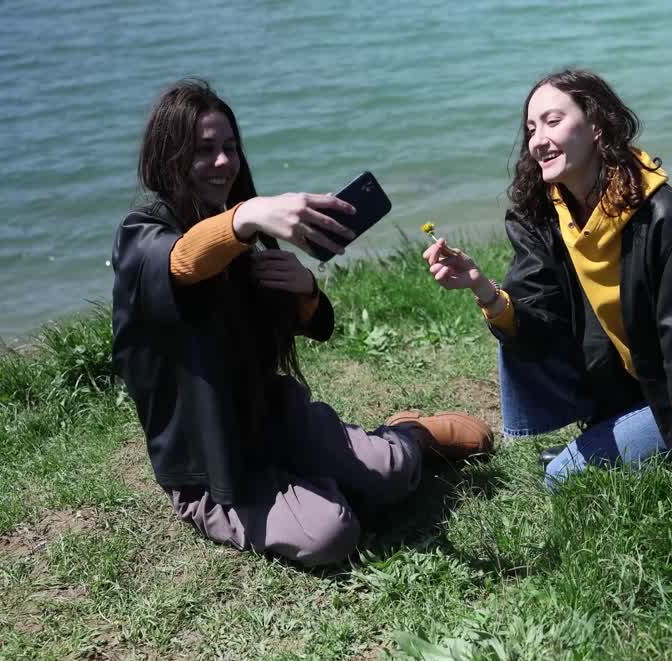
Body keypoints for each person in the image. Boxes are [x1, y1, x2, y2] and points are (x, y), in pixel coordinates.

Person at [111, 79, 492, 567]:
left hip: (273, 417)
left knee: (393, 473)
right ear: (169, 156)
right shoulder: (143, 234)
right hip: (209, 464)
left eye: (230, 147)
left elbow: (306, 326)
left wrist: (304, 292)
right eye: (204, 150)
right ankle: (323, 487)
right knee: (330, 534)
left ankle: (411, 434)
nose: (224, 162)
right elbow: (179, 263)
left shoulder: (235, 231)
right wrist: (249, 214)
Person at [423, 69, 672, 491]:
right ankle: (607, 434)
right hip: (624, 384)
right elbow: (538, 330)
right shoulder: (542, 214)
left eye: (553, 121)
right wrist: (483, 288)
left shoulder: (668, 221)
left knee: (559, 479)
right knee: (511, 315)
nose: (538, 140)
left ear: (597, 126)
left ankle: (622, 445)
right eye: (531, 129)